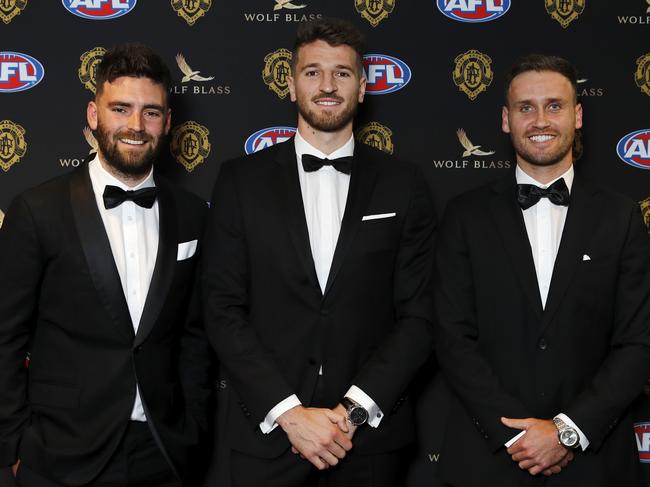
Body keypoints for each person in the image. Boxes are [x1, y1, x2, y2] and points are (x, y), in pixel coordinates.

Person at [202, 17, 436, 486]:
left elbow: (421, 314)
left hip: (368, 442)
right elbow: (221, 308)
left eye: (342, 73)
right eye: (312, 72)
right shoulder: (239, 182)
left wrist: (350, 413)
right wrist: (290, 414)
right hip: (267, 437)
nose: (327, 85)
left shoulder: (404, 185)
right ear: (290, 85)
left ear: (363, 87)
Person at [0, 43, 212, 487]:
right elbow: (5, 337)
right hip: (60, 456)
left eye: (151, 112)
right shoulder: (37, 210)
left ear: (168, 122)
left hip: (164, 453)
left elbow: (195, 338)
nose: (136, 126)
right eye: (121, 109)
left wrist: (191, 430)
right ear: (94, 116)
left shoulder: (193, 215)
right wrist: (14, 446)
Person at [434, 53, 650, 486]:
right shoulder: (464, 216)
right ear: (505, 119)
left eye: (554, 105)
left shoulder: (621, 217)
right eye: (525, 107)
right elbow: (452, 337)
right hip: (488, 460)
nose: (540, 120)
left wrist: (568, 431)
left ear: (578, 114)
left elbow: (638, 342)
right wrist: (516, 437)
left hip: (595, 464)